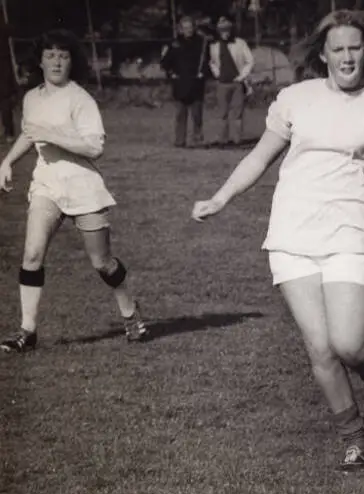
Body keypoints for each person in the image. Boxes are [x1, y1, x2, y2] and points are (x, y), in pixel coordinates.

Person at [191, 10, 364, 471]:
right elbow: (260, 156)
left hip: (350, 233)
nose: (347, 56)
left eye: (355, 48)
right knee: (320, 348)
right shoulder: (294, 99)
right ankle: (354, 441)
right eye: (338, 48)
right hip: (290, 235)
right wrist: (220, 198)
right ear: (322, 54)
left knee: (349, 344)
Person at [0, 30, 149, 353]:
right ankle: (27, 331)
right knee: (32, 255)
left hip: (83, 187)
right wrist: (7, 161)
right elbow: (29, 132)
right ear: (39, 60)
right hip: (47, 184)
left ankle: (130, 312)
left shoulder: (80, 99)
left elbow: (95, 147)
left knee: (103, 263)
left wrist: (53, 136)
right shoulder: (31, 98)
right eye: (50, 55)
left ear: (72, 62)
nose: (56, 61)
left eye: (63, 55)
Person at [161, 16, 208, 148]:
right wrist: (172, 74)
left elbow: (207, 61)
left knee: (197, 114)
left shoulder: (202, 43)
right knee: (180, 114)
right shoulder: (175, 44)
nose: (188, 30)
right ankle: (180, 140)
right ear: (181, 29)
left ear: (194, 28)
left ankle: (197, 139)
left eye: (190, 27)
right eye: (185, 28)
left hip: (196, 83)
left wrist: (203, 73)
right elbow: (165, 63)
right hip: (180, 84)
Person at [208, 16, 254, 147]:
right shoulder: (214, 46)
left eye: (227, 29)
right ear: (218, 31)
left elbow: (250, 61)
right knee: (222, 113)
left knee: (237, 113)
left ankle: (237, 140)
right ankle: (223, 140)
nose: (225, 32)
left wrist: (242, 76)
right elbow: (211, 62)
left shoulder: (240, 43)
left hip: (237, 83)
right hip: (222, 83)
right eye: (222, 30)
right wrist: (217, 74)